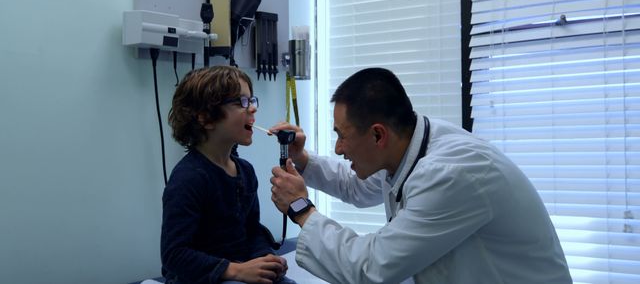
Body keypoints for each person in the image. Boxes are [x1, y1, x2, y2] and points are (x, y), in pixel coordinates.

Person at [269, 67, 572, 284]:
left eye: (342, 136)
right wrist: (303, 160)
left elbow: (371, 268)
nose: (337, 148)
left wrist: (301, 210)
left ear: (378, 135)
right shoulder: (410, 142)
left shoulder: (450, 174)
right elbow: (356, 187)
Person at [161, 66, 296, 284]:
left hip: (239, 269)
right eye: (241, 102)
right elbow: (174, 255)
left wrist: (266, 259)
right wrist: (234, 270)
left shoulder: (246, 172)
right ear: (206, 119)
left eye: (252, 100)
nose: (252, 108)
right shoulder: (189, 178)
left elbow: (252, 232)